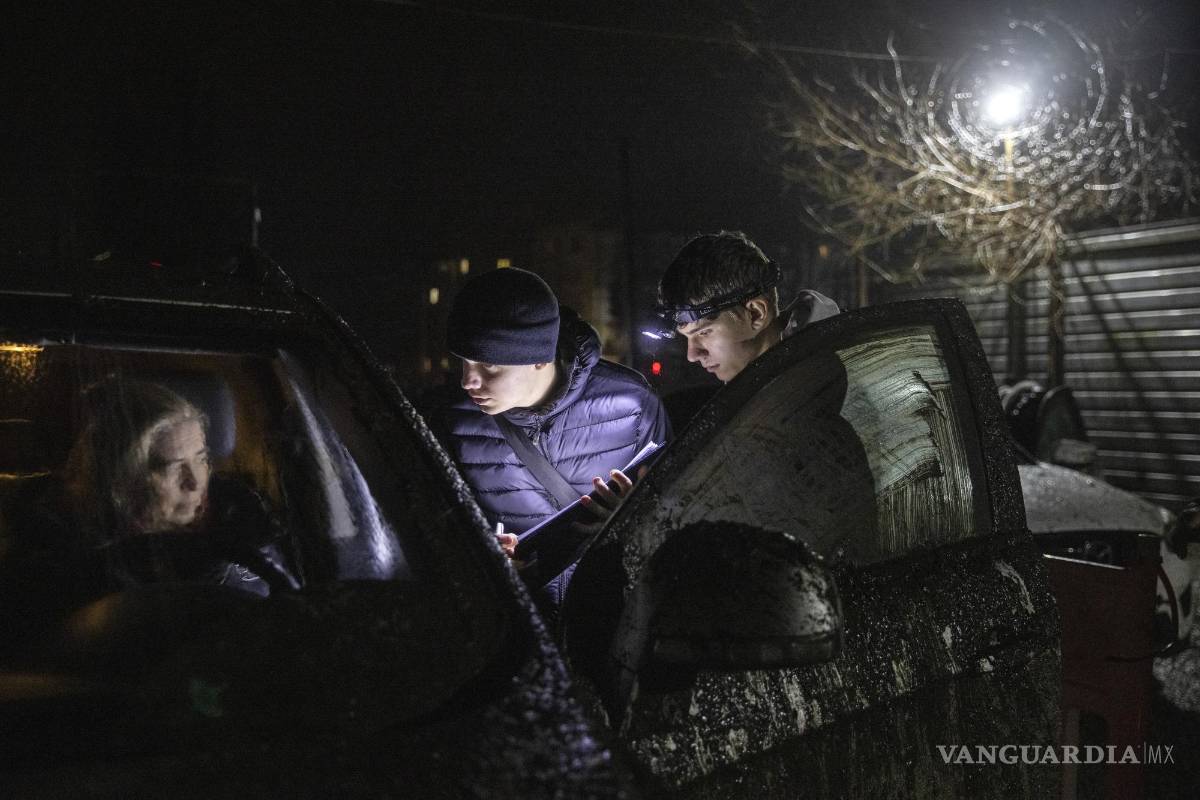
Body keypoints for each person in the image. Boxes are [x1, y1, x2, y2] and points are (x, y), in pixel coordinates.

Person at [430, 268, 670, 624]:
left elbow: (675, 518)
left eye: (489, 364)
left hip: (612, 623)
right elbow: (437, 532)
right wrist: (481, 558)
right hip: (522, 626)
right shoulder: (452, 419)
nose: (468, 381)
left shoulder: (633, 406)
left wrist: (630, 521)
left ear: (540, 357)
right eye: (463, 361)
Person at [0, 379, 295, 616]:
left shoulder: (245, 523)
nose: (196, 482)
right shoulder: (54, 555)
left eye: (202, 458)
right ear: (122, 479)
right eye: (173, 467)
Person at [650, 231, 841, 426]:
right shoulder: (769, 392)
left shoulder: (824, 396)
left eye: (704, 332)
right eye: (686, 337)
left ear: (755, 314)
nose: (692, 355)